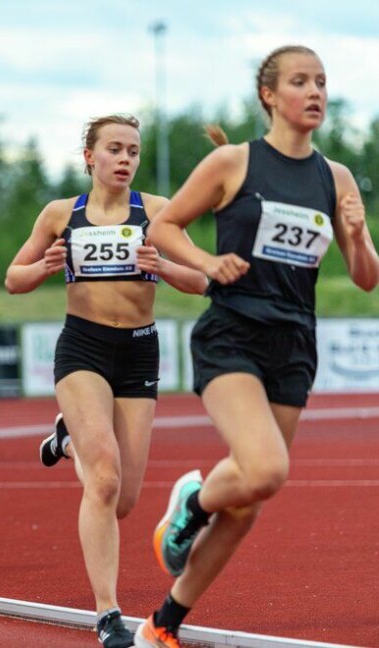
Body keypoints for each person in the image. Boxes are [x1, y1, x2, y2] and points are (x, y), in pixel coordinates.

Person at [133, 46, 379, 648]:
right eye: (300, 81)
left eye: (321, 82)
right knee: (266, 468)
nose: (315, 92)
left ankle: (162, 624)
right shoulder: (233, 162)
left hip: (294, 343)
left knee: (250, 500)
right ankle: (194, 503)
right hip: (233, 333)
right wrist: (207, 261)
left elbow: (366, 277)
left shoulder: (336, 178)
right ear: (270, 95)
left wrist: (355, 235)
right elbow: (164, 226)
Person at [4, 115, 207, 648]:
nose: (125, 159)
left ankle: (65, 440)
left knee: (121, 500)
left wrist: (162, 266)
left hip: (139, 351)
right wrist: (44, 266)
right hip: (83, 348)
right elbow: (13, 278)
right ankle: (107, 614)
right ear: (90, 157)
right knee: (105, 478)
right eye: (114, 149)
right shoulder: (61, 214)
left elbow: (201, 279)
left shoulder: (157, 211)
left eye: (133, 151)